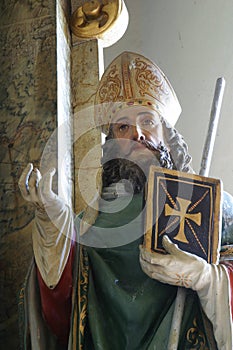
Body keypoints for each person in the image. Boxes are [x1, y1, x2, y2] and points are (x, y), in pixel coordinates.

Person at [18, 51, 233, 350]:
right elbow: (59, 313)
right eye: (122, 127)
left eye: (148, 121)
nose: (138, 134)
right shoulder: (90, 227)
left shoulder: (214, 208)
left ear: (169, 138)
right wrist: (53, 224)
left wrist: (208, 280)